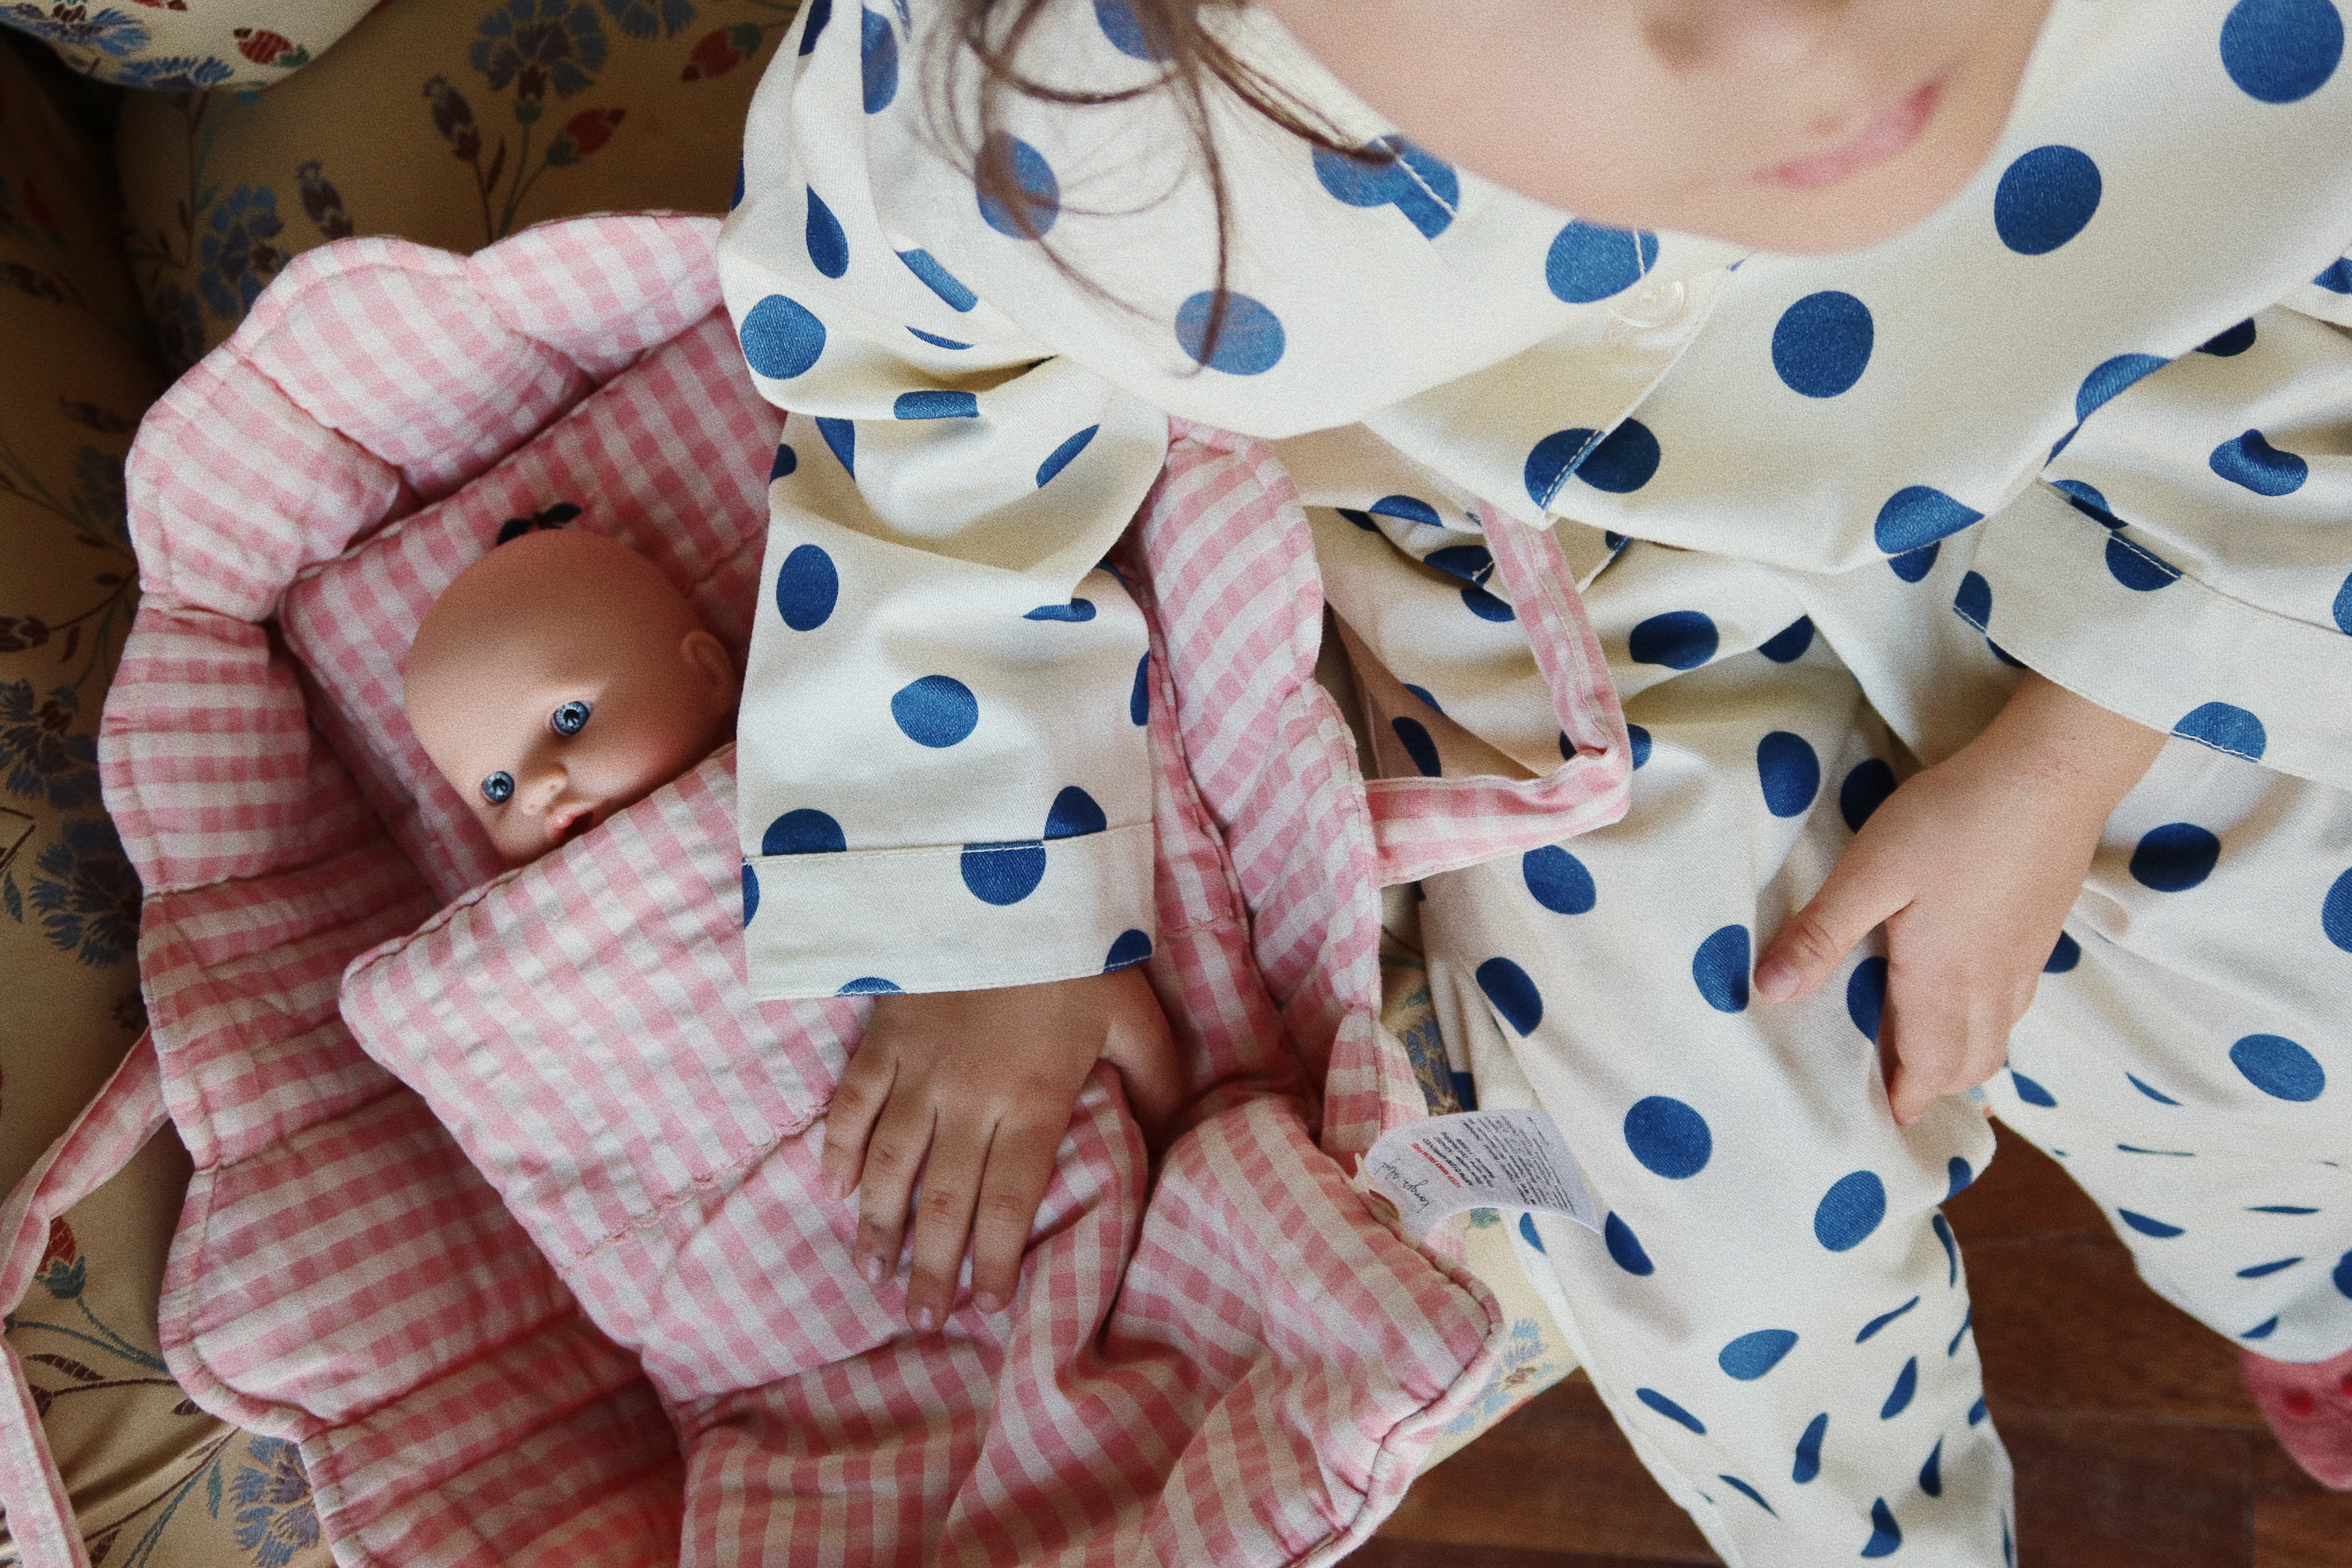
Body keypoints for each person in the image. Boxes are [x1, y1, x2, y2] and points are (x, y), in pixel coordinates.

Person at [718, 0, 2352, 1560]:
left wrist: (2063, 765)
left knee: (2292, 1009)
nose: (1785, 37)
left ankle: (2301, 1293)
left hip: (2166, 511)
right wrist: (992, 887)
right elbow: (911, 379)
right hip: (1556, 631)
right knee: (1712, 1257)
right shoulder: (1070, 90)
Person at [401, 523, 1191, 1279]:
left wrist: (1009, 933)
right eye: (495, 788)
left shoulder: (845, 737)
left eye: (569, 719)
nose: (537, 789)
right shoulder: (542, 940)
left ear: (710, 675)